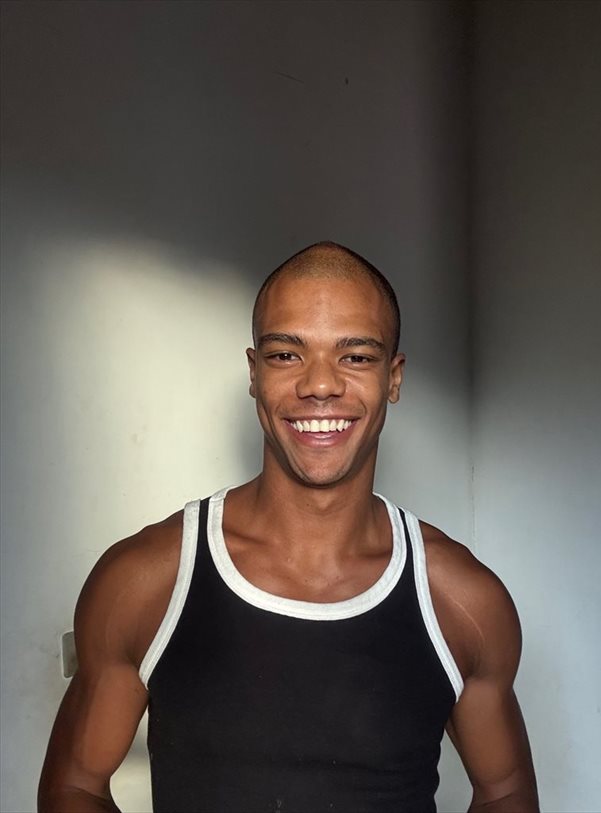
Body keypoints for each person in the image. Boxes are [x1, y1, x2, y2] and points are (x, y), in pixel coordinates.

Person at [38, 241, 539, 813]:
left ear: (393, 378)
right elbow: (74, 786)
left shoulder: (462, 600)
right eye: (286, 355)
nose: (320, 385)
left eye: (356, 357)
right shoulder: (147, 580)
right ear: (254, 373)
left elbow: (505, 793)